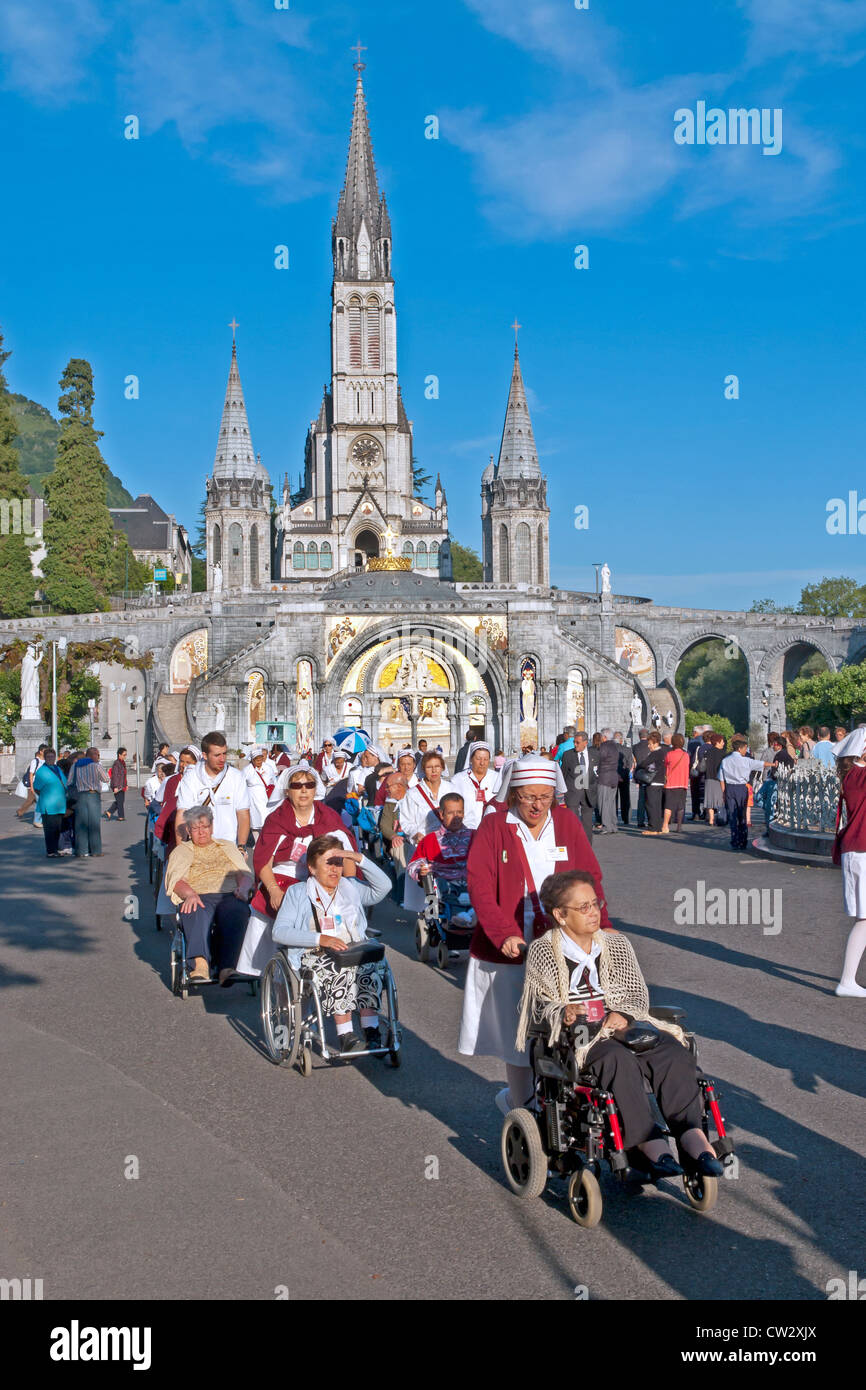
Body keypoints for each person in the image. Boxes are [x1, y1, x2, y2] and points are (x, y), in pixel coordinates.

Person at [516, 870, 723, 1179]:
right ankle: (646, 1142)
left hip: (622, 1026)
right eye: (583, 907)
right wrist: (564, 1012)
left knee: (672, 1051)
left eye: (595, 903)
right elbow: (539, 1005)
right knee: (617, 1060)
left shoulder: (616, 944)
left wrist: (624, 1014)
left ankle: (691, 1135)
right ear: (560, 914)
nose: (593, 911)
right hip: (580, 1038)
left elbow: (636, 993)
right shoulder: (544, 951)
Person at [458, 756, 613, 1116]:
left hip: (565, 943)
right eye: (528, 797)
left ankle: (571, 1098)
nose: (537, 805)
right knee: (520, 1032)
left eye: (544, 797)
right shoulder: (495, 826)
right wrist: (504, 933)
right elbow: (480, 886)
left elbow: (590, 876)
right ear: (513, 794)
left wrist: (602, 922)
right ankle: (521, 1103)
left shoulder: (566, 822)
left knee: (573, 1022)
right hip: (514, 947)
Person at [235, 764, 357, 978]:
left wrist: (350, 885)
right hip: (282, 876)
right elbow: (264, 860)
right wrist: (273, 889)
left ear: (315, 789)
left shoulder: (328, 817)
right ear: (287, 790)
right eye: (297, 785)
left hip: (320, 877)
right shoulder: (276, 819)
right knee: (283, 905)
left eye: (309, 785)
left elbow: (346, 853)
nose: (303, 790)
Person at [273, 835, 392, 1052]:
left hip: (353, 949)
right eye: (329, 863)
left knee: (370, 965)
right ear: (311, 867)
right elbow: (279, 932)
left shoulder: (350, 887)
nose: (335, 869)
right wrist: (320, 938)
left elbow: (384, 887)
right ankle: (346, 1034)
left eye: (338, 863)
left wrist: (357, 858)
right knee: (340, 969)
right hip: (315, 954)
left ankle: (371, 1029)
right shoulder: (298, 892)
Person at [164, 804, 253, 984]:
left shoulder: (227, 846)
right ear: (188, 830)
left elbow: (243, 874)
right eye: (196, 828)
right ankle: (200, 964)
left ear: (212, 826)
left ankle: (227, 967)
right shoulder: (182, 851)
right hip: (197, 894)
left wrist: (243, 888)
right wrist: (189, 894)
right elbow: (175, 880)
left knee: (238, 911)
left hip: (228, 893)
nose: (201, 832)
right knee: (195, 910)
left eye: (205, 826)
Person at [399, 750, 454, 911]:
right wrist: (415, 833)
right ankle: (431, 916)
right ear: (424, 769)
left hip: (448, 846)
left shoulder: (451, 789)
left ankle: (450, 914)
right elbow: (406, 821)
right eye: (430, 767)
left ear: (443, 768)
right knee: (429, 885)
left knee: (449, 886)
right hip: (424, 845)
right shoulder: (413, 793)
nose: (434, 770)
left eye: (437, 766)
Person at [831, 741, 866, 996]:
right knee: (865, 920)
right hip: (862, 850)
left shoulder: (851, 775)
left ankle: (848, 980)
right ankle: (847, 981)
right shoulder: (860, 775)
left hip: (855, 849)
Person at [176, 731, 251, 850]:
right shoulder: (191, 778)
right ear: (205, 756)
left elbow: (243, 813)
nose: (222, 759)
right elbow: (182, 814)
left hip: (228, 845)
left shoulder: (236, 777)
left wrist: (241, 846)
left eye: (224, 754)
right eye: (217, 755)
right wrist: (181, 851)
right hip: (198, 846)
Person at [407, 792, 473, 888]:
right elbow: (413, 865)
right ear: (441, 814)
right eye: (450, 813)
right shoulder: (429, 840)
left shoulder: (476, 836)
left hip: (473, 890)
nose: (456, 817)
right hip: (442, 892)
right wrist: (420, 871)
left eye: (459, 812)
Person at [718, 738, 772, 851]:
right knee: (742, 814)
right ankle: (743, 840)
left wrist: (724, 792)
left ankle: (734, 841)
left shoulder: (725, 761)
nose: (745, 751)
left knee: (732, 815)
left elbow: (721, 779)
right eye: (744, 748)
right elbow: (761, 764)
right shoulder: (745, 760)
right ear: (739, 748)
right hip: (742, 788)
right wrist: (773, 764)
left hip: (729, 788)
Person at [68, 747, 111, 858]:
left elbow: (69, 781)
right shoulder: (96, 766)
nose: (98, 757)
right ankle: (96, 850)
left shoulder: (75, 766)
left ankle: (81, 850)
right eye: (98, 755)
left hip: (80, 795)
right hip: (93, 795)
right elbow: (106, 779)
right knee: (94, 823)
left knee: (81, 824)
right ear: (93, 755)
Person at [154, 748, 197, 853]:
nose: (183, 765)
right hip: (175, 822)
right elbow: (165, 802)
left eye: (188, 762)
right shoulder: (171, 780)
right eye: (182, 761)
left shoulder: (199, 781)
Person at [451, 741, 500, 830]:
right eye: (478, 758)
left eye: (486, 759)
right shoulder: (458, 780)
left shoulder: (497, 779)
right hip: (465, 831)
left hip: (492, 830)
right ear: (470, 759)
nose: (482, 763)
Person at [559, 731, 598, 842]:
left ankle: (586, 847)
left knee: (587, 823)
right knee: (573, 821)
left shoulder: (594, 755)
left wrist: (594, 787)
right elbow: (563, 774)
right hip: (572, 793)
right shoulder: (567, 755)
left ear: (585, 743)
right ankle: (573, 844)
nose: (575, 745)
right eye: (574, 742)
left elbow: (597, 772)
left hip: (589, 793)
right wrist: (564, 791)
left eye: (578, 742)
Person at [33, 749, 68, 857]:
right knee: (49, 830)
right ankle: (50, 851)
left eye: (52, 756)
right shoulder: (41, 771)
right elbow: (37, 788)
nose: (50, 759)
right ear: (45, 757)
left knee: (57, 829)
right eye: (48, 757)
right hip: (48, 805)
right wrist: (46, 795)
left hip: (59, 805)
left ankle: (55, 849)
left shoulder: (57, 769)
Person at [637, 732, 669, 836]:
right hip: (660, 781)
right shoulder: (663, 752)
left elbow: (644, 763)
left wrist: (640, 765)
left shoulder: (655, 753)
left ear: (656, 743)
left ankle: (652, 828)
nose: (649, 746)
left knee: (650, 805)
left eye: (650, 744)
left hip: (653, 781)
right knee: (657, 806)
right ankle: (657, 827)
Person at [662, 733, 690, 833]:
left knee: (668, 805)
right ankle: (679, 826)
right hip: (682, 783)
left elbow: (665, 765)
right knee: (680, 806)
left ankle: (665, 825)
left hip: (671, 783)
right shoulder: (685, 755)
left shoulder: (669, 754)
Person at [594, 728, 620, 835]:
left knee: (603, 803)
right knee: (611, 803)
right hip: (614, 776)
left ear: (604, 737)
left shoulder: (604, 746)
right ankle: (613, 825)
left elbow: (600, 759)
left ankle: (606, 826)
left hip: (604, 777)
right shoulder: (615, 746)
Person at [244, 747, 273, 833]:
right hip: (252, 796)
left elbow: (273, 780)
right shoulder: (247, 770)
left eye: (260, 759)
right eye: (257, 760)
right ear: (252, 760)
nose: (259, 762)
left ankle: (265, 838)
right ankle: (256, 842)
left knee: (265, 817)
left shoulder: (268, 768)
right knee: (254, 819)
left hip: (265, 796)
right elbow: (241, 783)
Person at [16, 743, 47, 821]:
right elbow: (31, 774)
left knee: (33, 801)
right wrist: (31, 786)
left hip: (42, 784)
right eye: (45, 751)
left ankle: (21, 812)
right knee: (32, 800)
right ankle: (37, 818)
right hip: (34, 784)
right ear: (40, 751)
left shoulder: (45, 761)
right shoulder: (35, 761)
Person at [701, 734, 726, 826]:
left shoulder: (707, 752)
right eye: (722, 741)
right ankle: (720, 817)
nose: (723, 743)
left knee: (709, 800)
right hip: (719, 779)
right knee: (720, 800)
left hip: (708, 777)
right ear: (718, 742)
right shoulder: (723, 754)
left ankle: (711, 819)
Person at [687, 725, 709, 821]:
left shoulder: (692, 742)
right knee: (705, 792)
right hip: (706, 771)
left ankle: (696, 813)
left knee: (695, 792)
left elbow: (689, 756)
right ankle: (706, 812)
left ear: (695, 733)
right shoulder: (706, 742)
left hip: (695, 771)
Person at [631, 727, 651, 828]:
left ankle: (640, 820)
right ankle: (651, 819)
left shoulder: (635, 747)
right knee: (651, 798)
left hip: (640, 773)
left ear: (639, 736)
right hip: (651, 773)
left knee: (641, 799)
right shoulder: (650, 746)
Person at [105, 747, 128, 821]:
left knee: (120, 801)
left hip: (122, 785)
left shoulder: (122, 763)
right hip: (117, 785)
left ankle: (109, 812)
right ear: (119, 755)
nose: (125, 756)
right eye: (124, 755)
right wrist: (115, 786)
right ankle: (121, 816)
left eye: (126, 755)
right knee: (120, 801)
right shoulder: (116, 763)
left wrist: (126, 785)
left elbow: (124, 775)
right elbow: (114, 776)